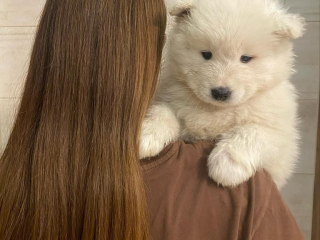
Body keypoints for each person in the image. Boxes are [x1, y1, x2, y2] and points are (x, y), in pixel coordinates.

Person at [0, 0, 303, 240]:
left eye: (246, 60)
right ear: (159, 45)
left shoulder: (13, 175)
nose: (221, 81)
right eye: (207, 55)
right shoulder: (246, 196)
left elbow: (277, 141)